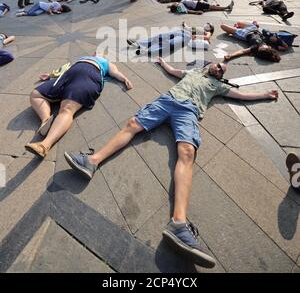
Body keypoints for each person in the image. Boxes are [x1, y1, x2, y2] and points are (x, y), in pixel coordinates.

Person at [64, 59, 278, 267]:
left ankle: (179, 224)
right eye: (219, 65)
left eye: (223, 70)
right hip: (167, 100)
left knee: (187, 153)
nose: (220, 69)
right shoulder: (192, 73)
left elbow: (240, 95)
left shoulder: (218, 86)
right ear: (210, 65)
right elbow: (174, 71)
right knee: (132, 124)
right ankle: (91, 161)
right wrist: (162, 63)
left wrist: (265, 95)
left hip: (189, 111)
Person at [25, 56, 133, 159]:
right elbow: (63, 69)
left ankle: (44, 145)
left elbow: (115, 72)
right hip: (68, 75)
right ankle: (46, 120)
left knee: (66, 109)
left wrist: (124, 79)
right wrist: (50, 75)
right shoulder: (82, 58)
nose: (97, 53)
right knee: (35, 94)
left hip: (89, 75)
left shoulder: (106, 63)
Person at [127, 23, 214, 56]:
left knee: (170, 43)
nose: (206, 24)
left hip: (186, 37)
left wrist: (197, 37)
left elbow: (207, 37)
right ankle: (138, 44)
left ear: (210, 28)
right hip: (181, 31)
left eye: (209, 24)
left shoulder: (207, 32)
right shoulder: (198, 27)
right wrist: (185, 25)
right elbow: (188, 28)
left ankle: (147, 51)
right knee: (160, 36)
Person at [168, 0, 234, 15]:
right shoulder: (180, 5)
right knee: (211, 7)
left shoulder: (180, 5)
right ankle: (227, 7)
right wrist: (196, 12)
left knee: (211, 7)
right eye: (175, 3)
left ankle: (219, 7)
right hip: (197, 5)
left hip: (197, 4)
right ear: (176, 6)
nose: (176, 2)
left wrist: (170, 6)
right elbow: (188, 11)